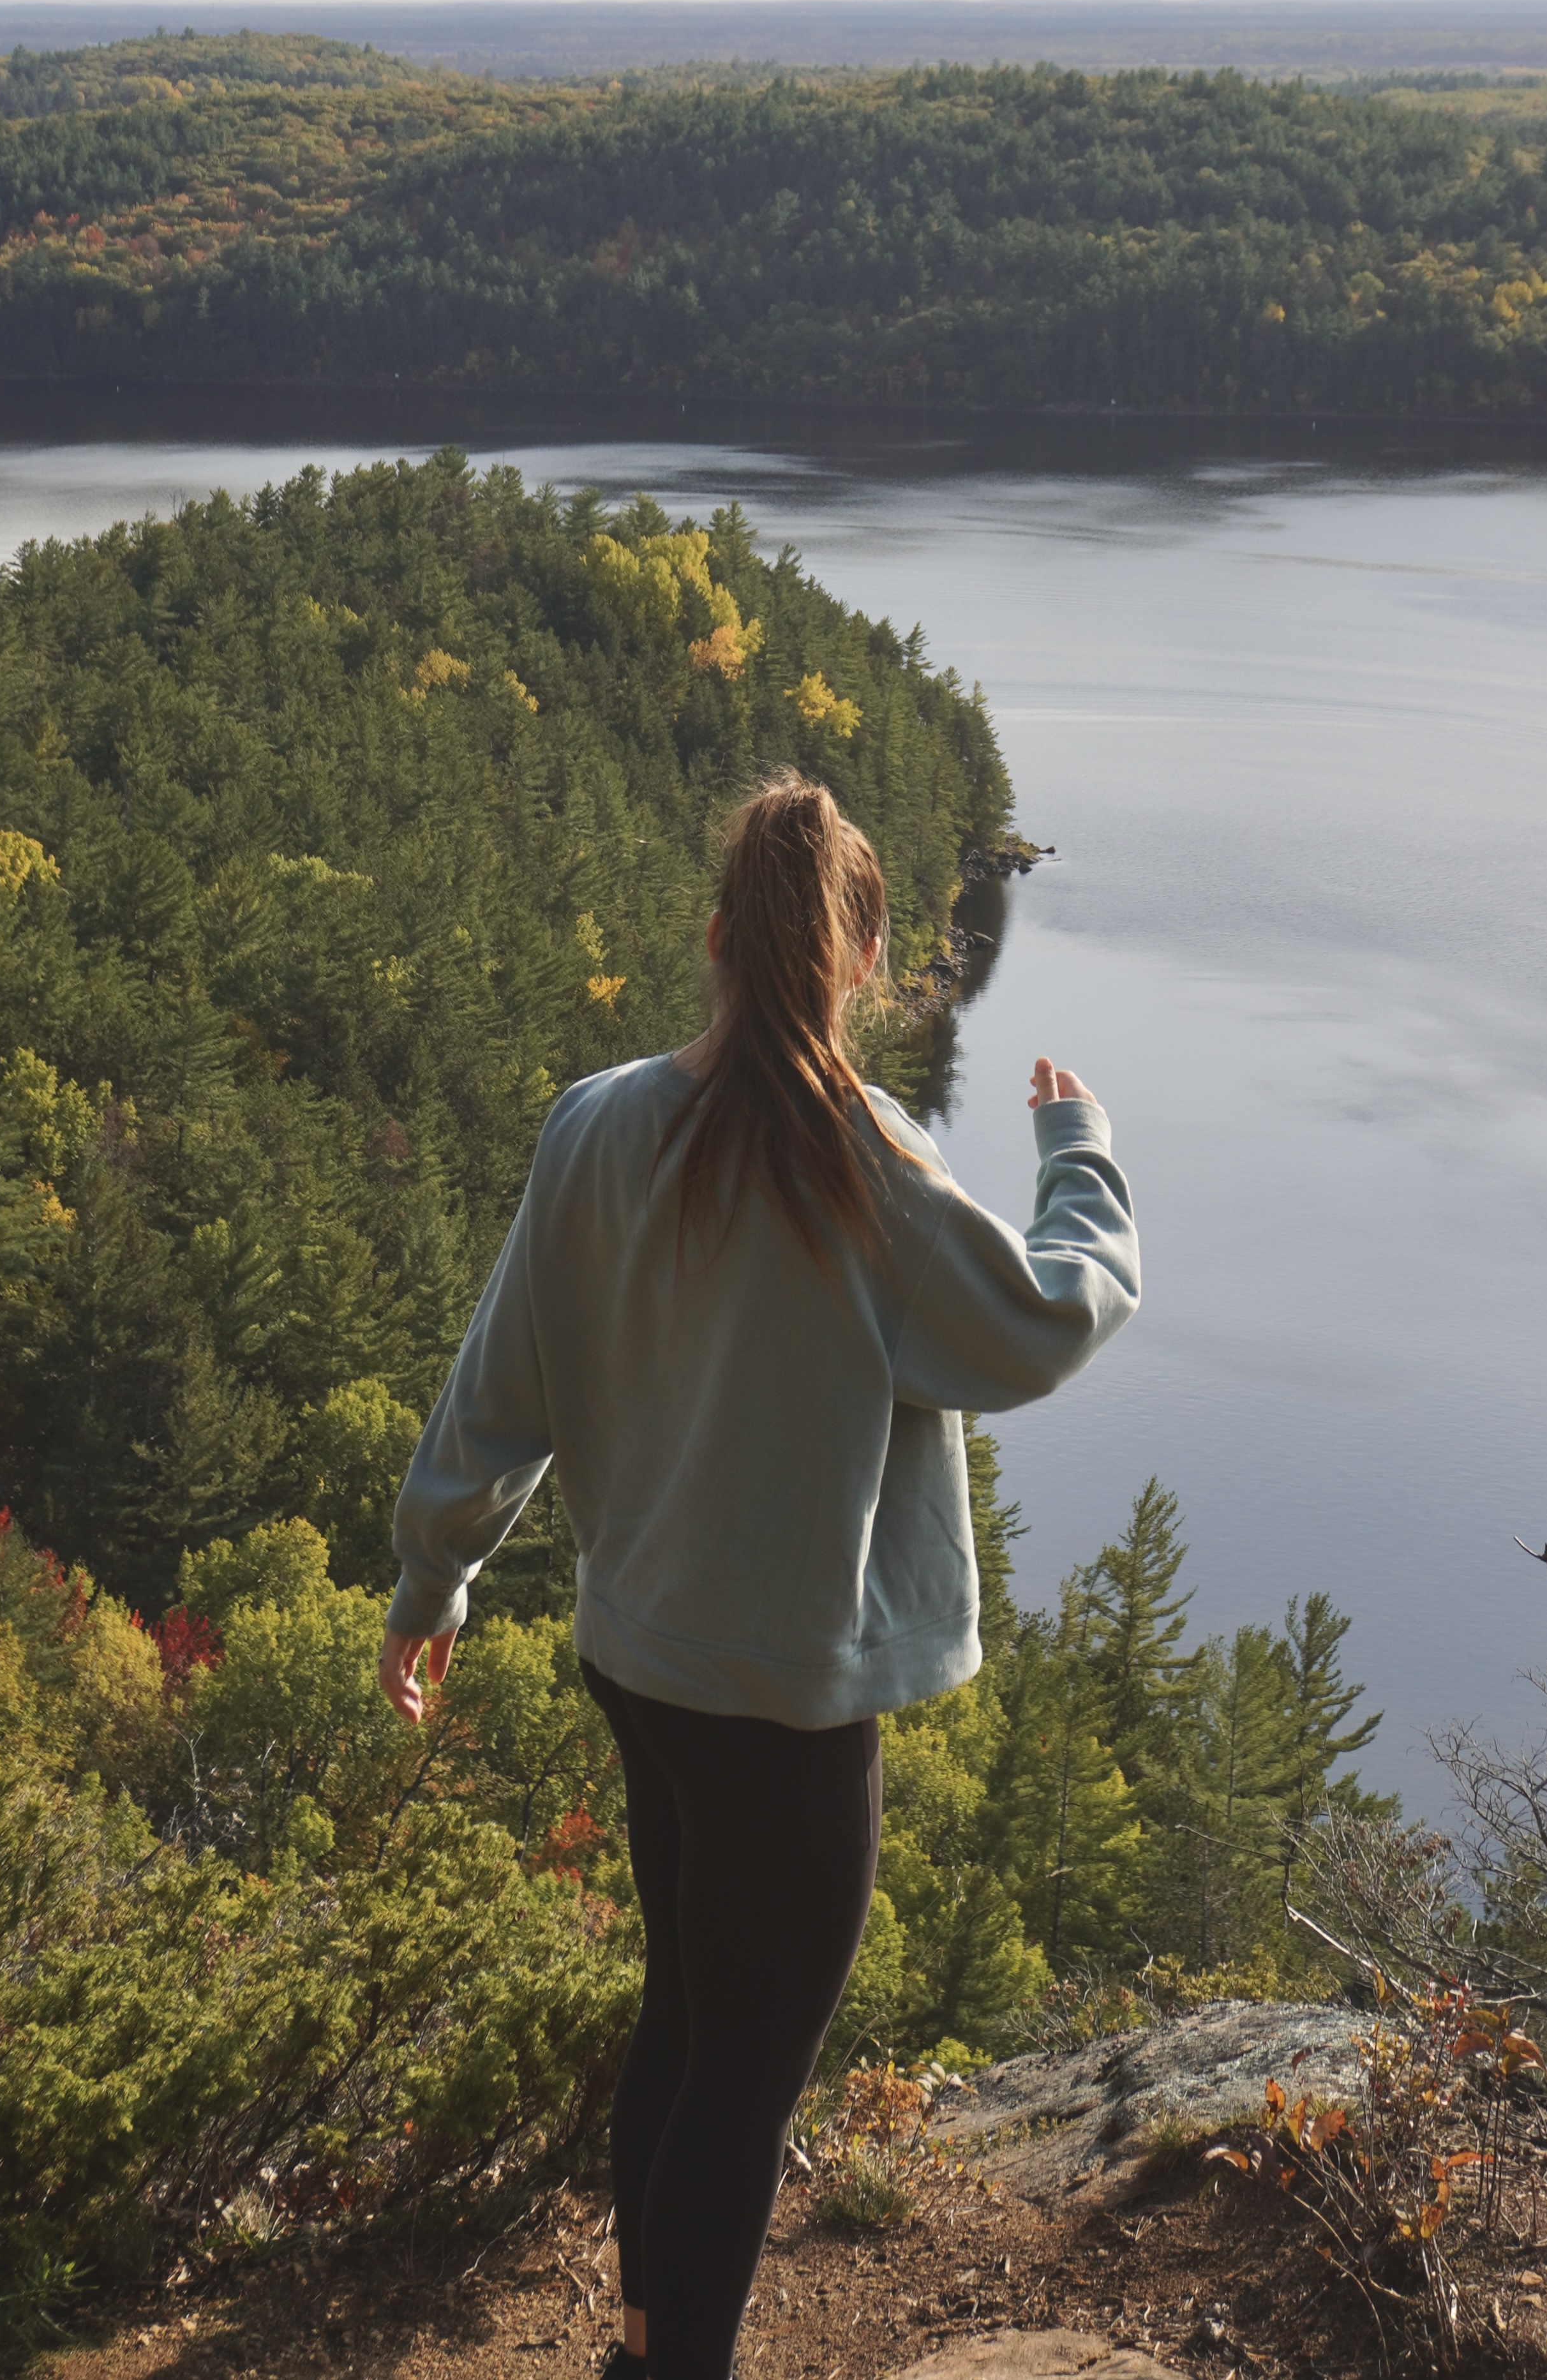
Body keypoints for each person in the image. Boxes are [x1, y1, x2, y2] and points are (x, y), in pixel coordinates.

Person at [377, 769, 1138, 2380]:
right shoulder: (872, 1168)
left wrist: (433, 1578)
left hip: (639, 1670)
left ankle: (645, 2341)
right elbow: (1042, 1327)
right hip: (785, 1715)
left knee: (682, 2020)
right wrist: (1080, 1160)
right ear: (857, 962)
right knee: (744, 2084)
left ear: (720, 941)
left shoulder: (595, 1124)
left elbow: (493, 1386)